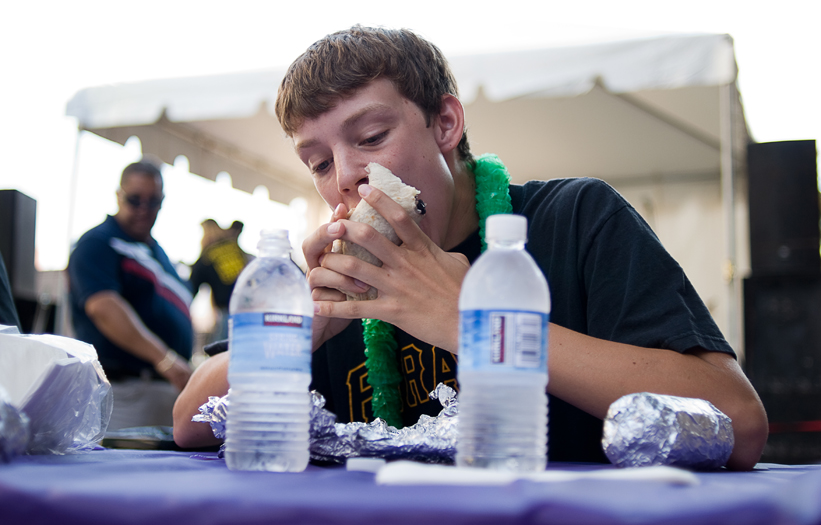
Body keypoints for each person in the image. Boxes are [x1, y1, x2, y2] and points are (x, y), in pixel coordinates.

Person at [173, 26, 768, 470]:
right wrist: (303, 327)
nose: (347, 176)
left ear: (445, 124)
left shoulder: (575, 219)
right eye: (320, 162)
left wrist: (472, 322)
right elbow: (189, 424)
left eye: (372, 137)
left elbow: (738, 423)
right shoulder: (333, 277)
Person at [69, 158, 193, 431]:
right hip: (128, 390)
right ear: (118, 195)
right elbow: (103, 307)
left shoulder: (157, 251)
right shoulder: (99, 243)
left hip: (163, 388)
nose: (144, 210)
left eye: (154, 202)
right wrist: (166, 360)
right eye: (135, 200)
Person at [189, 219, 251, 342]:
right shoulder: (234, 248)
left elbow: (192, 285)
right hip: (249, 306)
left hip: (228, 309)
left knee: (223, 348)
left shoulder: (209, 254)